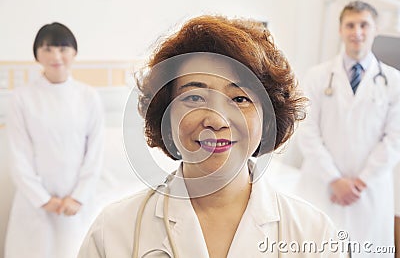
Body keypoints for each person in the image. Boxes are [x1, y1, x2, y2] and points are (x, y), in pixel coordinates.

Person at [78, 15, 347, 258]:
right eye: (194, 97)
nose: (216, 120)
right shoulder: (113, 232)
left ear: (267, 117)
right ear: (165, 116)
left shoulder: (315, 235)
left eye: (239, 98)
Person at [296, 0, 400, 257]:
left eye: (364, 24)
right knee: (315, 248)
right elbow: (307, 131)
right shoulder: (317, 76)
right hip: (323, 185)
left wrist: (360, 181)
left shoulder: (394, 81)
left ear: (375, 29)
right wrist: (335, 179)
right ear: (340, 30)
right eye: (350, 25)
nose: (357, 32)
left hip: (369, 189)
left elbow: (395, 138)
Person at [4, 22, 104, 258]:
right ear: (37, 53)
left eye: (62, 48)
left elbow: (94, 154)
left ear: (74, 52)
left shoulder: (88, 97)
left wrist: (78, 197)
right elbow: (18, 155)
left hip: (77, 203)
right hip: (34, 205)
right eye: (47, 49)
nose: (55, 56)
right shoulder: (21, 98)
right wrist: (43, 199)